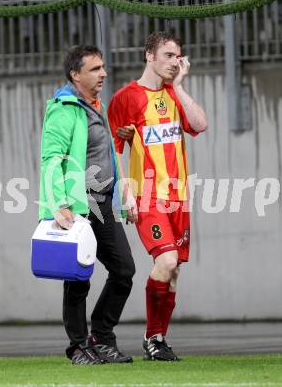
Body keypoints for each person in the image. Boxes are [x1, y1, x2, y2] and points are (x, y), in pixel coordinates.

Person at [108, 31, 207, 361]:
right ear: (149, 55)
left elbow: (200, 124)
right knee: (166, 260)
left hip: (179, 198)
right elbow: (113, 149)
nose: (174, 61)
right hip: (148, 196)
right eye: (168, 55)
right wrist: (126, 192)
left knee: (174, 269)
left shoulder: (174, 94)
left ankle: (157, 340)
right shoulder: (126, 98)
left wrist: (179, 86)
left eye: (178, 56)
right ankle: (153, 338)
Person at [38, 45, 136, 365]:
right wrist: (58, 204)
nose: (103, 74)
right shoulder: (63, 108)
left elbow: (107, 156)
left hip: (103, 203)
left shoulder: (98, 106)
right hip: (77, 207)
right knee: (78, 278)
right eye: (95, 69)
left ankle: (101, 337)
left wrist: (125, 193)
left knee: (123, 270)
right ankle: (79, 346)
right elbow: (51, 159)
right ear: (75, 74)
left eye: (103, 67)